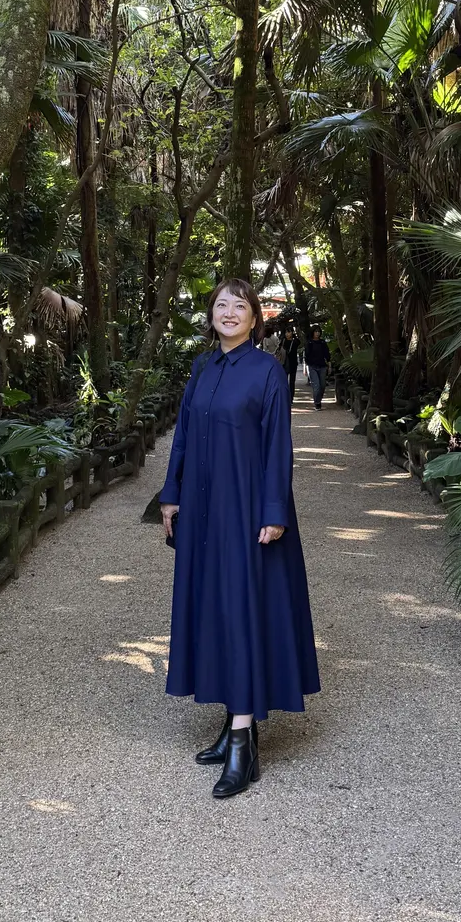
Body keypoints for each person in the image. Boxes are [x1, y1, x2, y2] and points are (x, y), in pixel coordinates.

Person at [159, 279, 320, 799]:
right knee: (217, 609)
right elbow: (182, 434)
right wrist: (170, 494)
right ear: (211, 315)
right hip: (205, 512)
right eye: (221, 305)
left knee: (246, 608)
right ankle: (231, 724)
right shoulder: (202, 368)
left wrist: (274, 511)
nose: (229, 312)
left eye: (240, 306)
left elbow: (278, 446)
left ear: (255, 318)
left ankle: (243, 743)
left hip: (249, 511)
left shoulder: (267, 371)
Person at [303, 327, 331, 408]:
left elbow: (327, 354)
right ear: (313, 332)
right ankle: (317, 403)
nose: (317, 333)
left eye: (318, 331)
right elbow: (306, 356)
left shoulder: (322, 342)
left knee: (322, 385)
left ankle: (319, 399)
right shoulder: (309, 343)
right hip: (312, 366)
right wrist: (305, 368)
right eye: (315, 331)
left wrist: (329, 365)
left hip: (322, 366)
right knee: (316, 386)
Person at [275, 323, 299, 400]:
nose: (287, 334)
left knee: (292, 382)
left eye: (289, 332)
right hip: (283, 363)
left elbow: (300, 342)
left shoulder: (295, 341)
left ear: (292, 332)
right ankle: (284, 397)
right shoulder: (282, 341)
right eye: (286, 332)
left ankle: (291, 398)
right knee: (284, 381)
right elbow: (278, 350)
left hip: (293, 363)